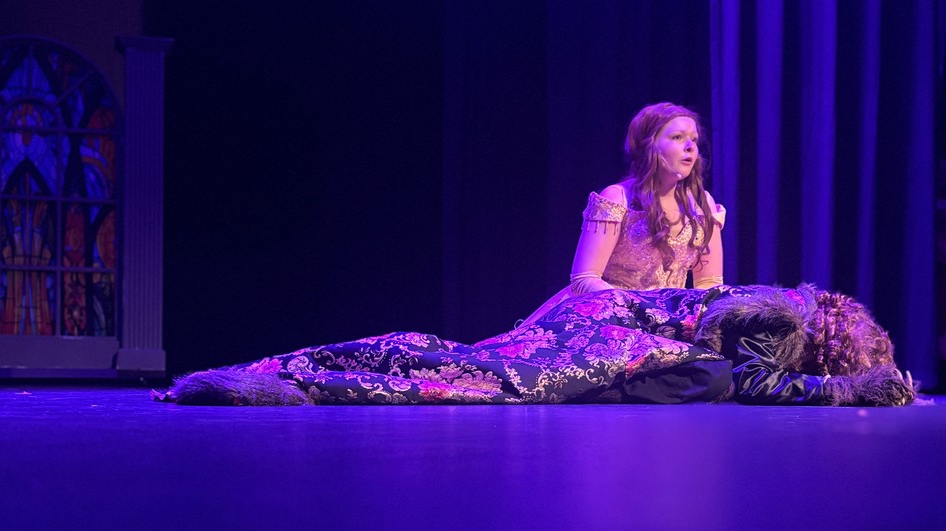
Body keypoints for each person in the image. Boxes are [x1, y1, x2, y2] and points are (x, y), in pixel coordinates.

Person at [155, 284, 915, 407]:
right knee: (486, 378)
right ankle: (292, 379)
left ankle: (295, 370)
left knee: (467, 361)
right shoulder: (780, 325)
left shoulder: (782, 305)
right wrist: (840, 392)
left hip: (610, 321)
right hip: (607, 329)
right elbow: (756, 385)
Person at [519, 102, 725, 328]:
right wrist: (638, 309)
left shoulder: (702, 204)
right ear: (650, 145)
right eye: (677, 137)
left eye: (694, 140)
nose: (690, 147)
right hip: (608, 320)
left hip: (669, 324)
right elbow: (583, 279)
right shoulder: (618, 198)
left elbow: (708, 282)